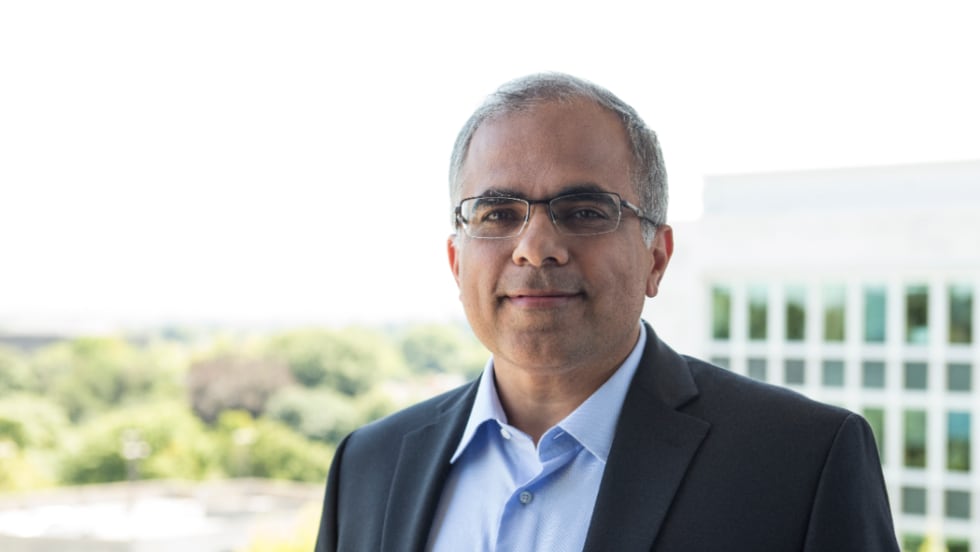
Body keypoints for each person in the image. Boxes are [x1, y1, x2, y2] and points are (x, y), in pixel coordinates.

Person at [315, 73, 899, 551]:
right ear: (455, 261)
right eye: (497, 214)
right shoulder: (367, 465)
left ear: (656, 258)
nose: (535, 247)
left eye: (585, 211)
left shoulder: (803, 462)